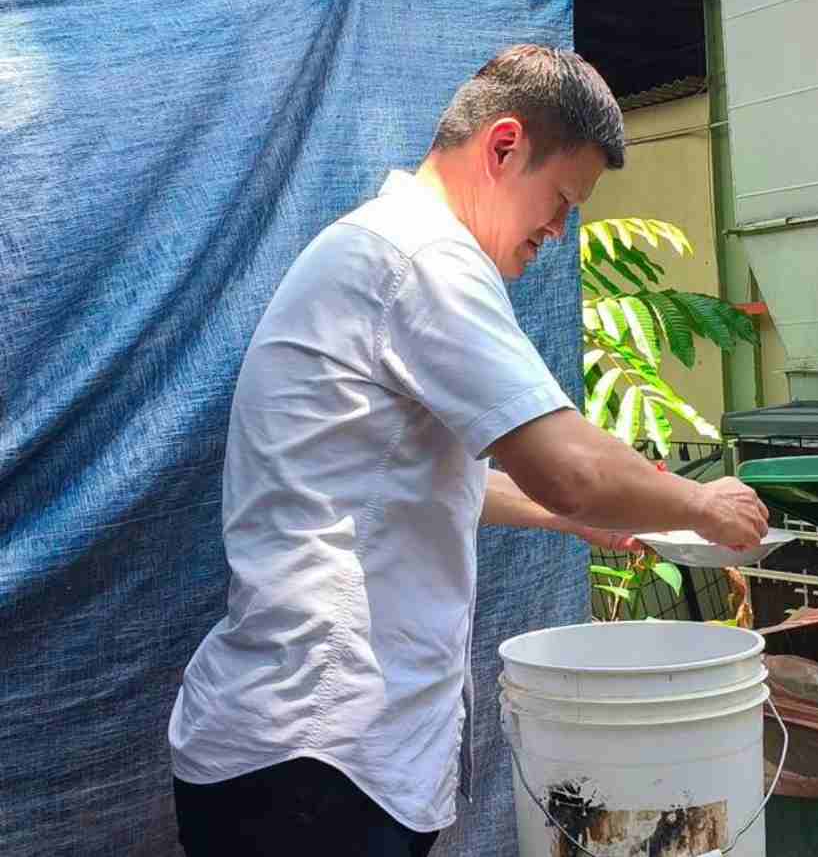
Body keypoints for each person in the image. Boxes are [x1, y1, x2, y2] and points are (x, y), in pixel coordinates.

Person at [167, 44, 769, 857]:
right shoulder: (424, 258)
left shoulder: (382, 248)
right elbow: (570, 467)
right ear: (503, 146)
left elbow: (427, 478)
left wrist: (576, 523)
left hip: (312, 751)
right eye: (561, 199)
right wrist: (702, 503)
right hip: (317, 757)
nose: (560, 230)